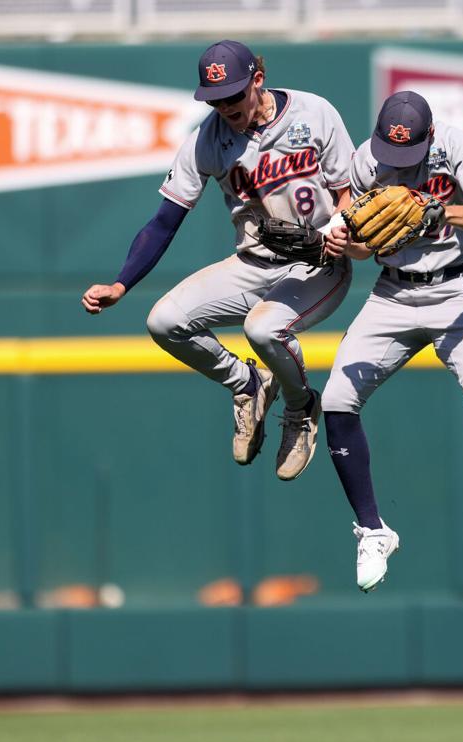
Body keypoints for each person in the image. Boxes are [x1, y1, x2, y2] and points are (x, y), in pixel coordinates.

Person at [80, 40, 355, 481]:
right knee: (164, 322)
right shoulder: (206, 141)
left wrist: (334, 231)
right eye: (214, 98)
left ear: (258, 81)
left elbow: (349, 193)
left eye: (232, 95)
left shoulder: (314, 112)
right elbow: (164, 221)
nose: (223, 105)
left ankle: (301, 408)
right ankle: (247, 384)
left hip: (317, 265)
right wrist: (121, 284)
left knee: (262, 329)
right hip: (253, 263)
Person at [320, 90, 463, 593]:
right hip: (393, 293)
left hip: (458, 289)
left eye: (408, 150)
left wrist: (438, 213)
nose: (397, 160)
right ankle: (373, 530)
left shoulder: (459, 146)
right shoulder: (364, 158)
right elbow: (358, 242)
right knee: (336, 400)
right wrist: (342, 242)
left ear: (430, 134)